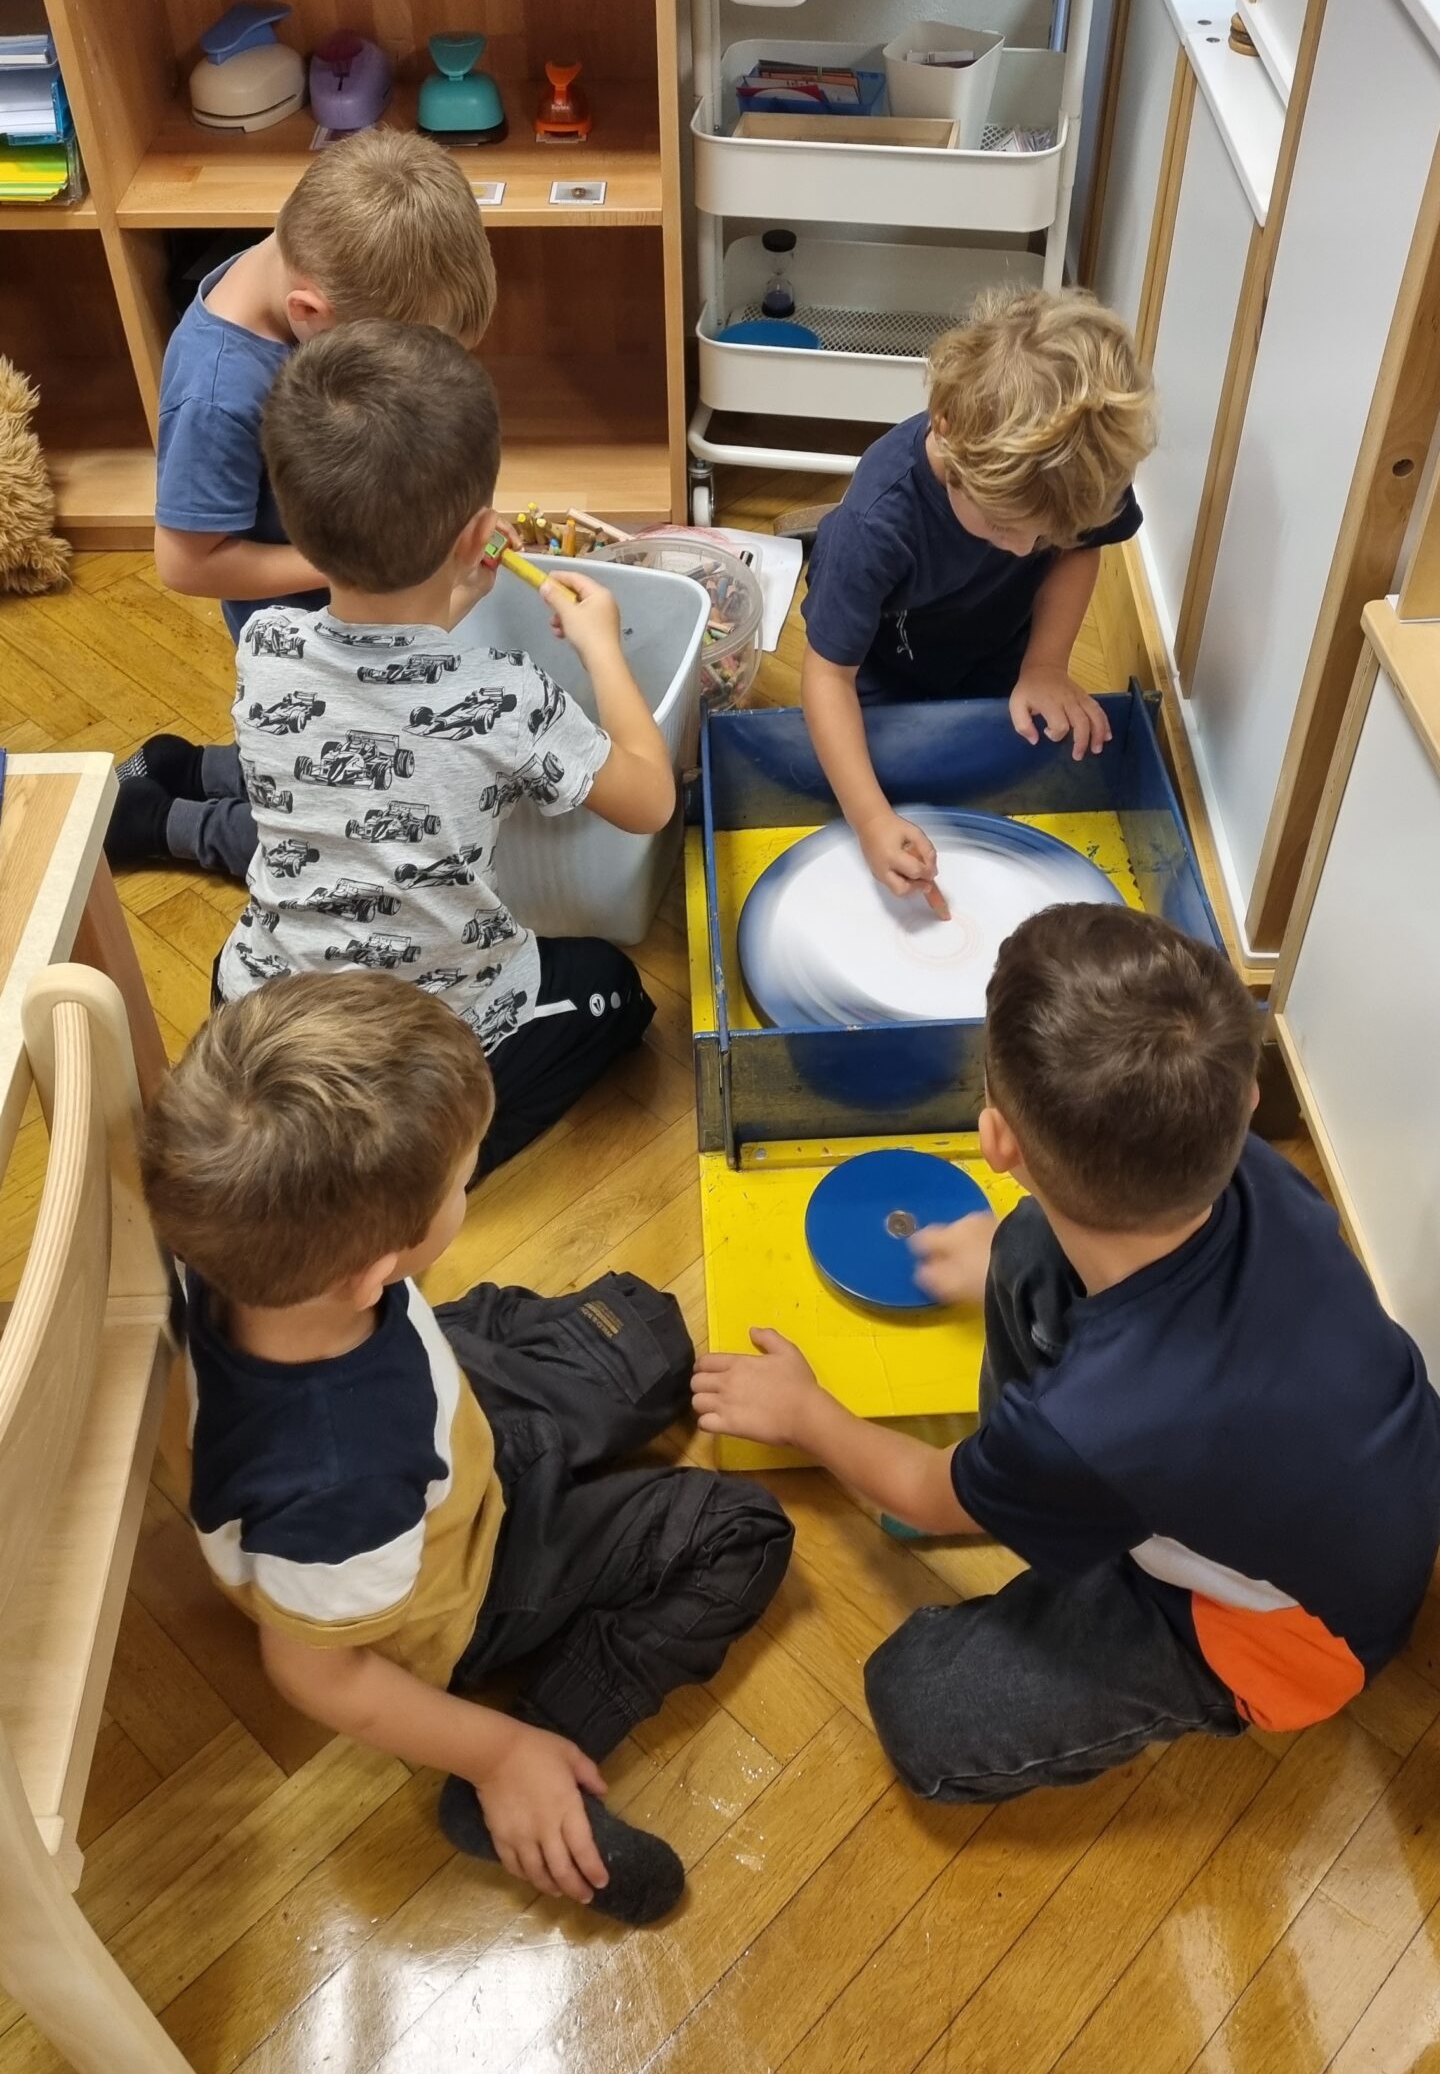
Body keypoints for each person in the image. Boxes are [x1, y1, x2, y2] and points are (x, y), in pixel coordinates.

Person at [694, 903, 1440, 1801]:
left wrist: (804, 1412)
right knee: (1024, 1242)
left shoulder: (1090, 1421)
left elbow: (925, 1497)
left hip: (1291, 1635)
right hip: (1363, 1480)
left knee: (915, 1701)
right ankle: (1041, 1503)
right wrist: (1004, 1263)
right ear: (1244, 1101)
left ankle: (1055, 1529)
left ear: (996, 1141)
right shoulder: (1260, 1172)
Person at [140, 974, 793, 1922]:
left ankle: (542, 1409)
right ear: (373, 1273)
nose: (468, 1187)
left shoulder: (214, 1227)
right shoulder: (343, 1485)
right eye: (463, 1182)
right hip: (462, 1579)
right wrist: (496, 1753)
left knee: (650, 1336)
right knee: (741, 1531)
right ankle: (540, 1751)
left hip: (449, 1434)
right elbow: (316, 1672)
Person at [214, 317, 674, 1173]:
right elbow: (649, 799)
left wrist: (455, 595)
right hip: (420, 1051)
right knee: (615, 990)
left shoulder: (265, 643)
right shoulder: (503, 695)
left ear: (300, 529)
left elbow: (385, 673)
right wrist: (602, 648)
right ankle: (413, 1163)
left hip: (264, 1009)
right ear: (477, 534)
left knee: (241, 969)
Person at [110, 129, 498, 880]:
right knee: (347, 822)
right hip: (306, 634)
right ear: (311, 313)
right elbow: (185, 564)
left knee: (329, 752)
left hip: (352, 607)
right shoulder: (218, 394)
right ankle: (164, 823)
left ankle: (194, 768)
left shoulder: (313, 263)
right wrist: (368, 558)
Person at [801, 288, 1157, 906]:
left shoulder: (1078, 473)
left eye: (1044, 536)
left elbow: (1080, 550)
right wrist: (871, 820)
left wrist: (1046, 665)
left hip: (997, 645)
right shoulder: (874, 524)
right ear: (947, 432)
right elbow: (827, 677)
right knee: (875, 778)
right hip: (882, 664)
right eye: (1001, 526)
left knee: (995, 776)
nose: (1023, 550)